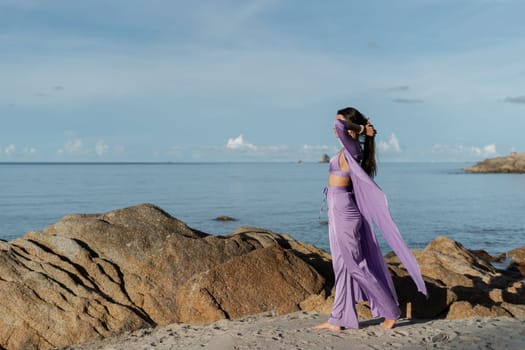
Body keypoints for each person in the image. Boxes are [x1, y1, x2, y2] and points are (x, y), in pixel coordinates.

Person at [314, 107, 427, 331]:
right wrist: (360, 127)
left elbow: (339, 126)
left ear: (351, 126)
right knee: (341, 267)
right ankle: (339, 319)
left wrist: (361, 128)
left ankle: (391, 311)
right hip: (336, 209)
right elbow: (339, 127)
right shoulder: (346, 148)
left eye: (340, 121)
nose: (334, 127)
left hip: (344, 212)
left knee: (356, 265)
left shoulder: (354, 147)